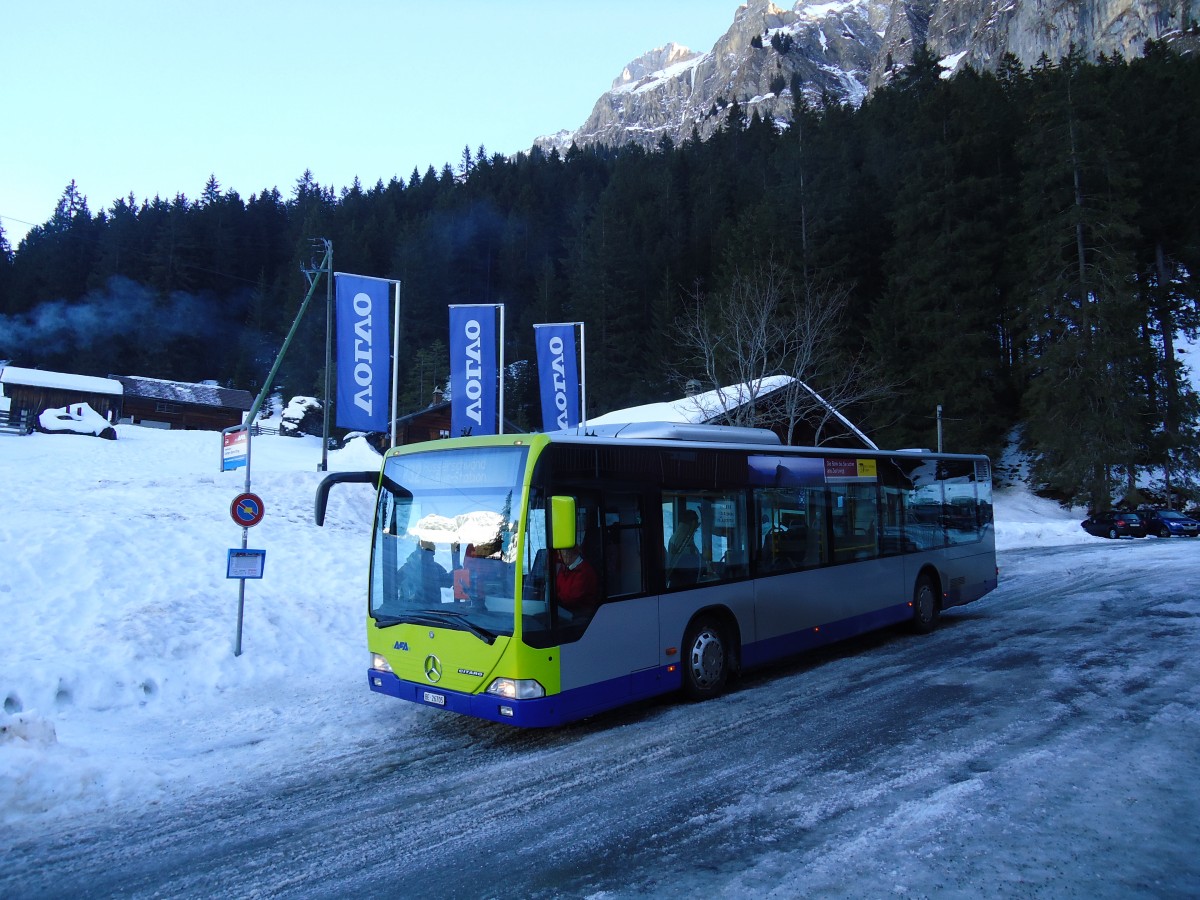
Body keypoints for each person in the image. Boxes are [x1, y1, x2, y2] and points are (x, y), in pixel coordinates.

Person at [399, 540, 451, 604]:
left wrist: (455, 573)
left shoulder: (435, 568)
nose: (426, 557)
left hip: (435, 611)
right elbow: (392, 585)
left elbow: (447, 581)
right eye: (423, 553)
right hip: (411, 611)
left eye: (430, 554)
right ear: (418, 552)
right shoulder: (408, 568)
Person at [554, 545, 599, 616]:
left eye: (560, 554)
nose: (559, 558)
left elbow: (571, 599)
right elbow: (556, 587)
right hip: (566, 610)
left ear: (568, 554)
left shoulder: (585, 571)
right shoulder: (564, 569)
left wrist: (555, 596)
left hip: (580, 614)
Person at [666, 508, 701, 587]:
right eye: (696, 522)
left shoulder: (680, 535)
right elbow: (688, 562)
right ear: (692, 522)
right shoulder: (684, 538)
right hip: (683, 583)